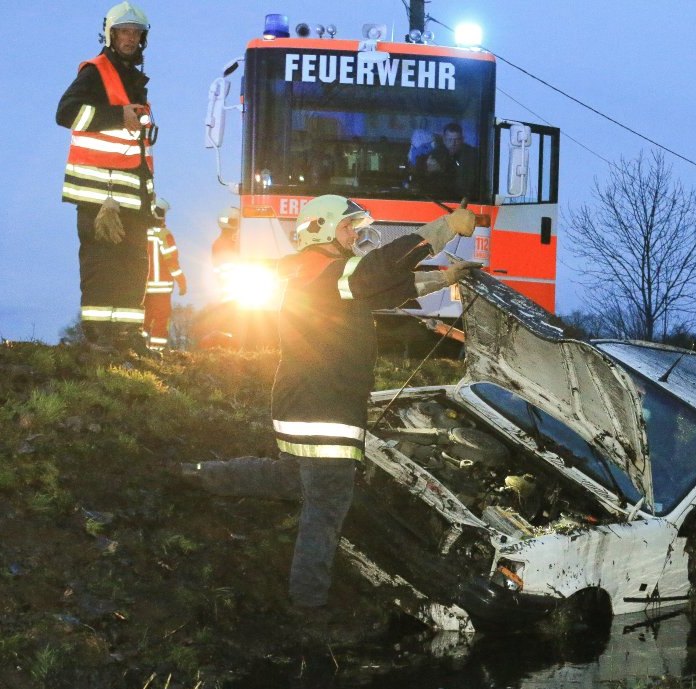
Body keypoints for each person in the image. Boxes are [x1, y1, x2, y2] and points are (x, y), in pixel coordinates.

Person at [179, 197, 479, 615]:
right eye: (348, 228)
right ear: (319, 228)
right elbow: (382, 267)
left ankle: (197, 478)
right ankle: (307, 613)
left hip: (302, 404)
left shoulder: (321, 274)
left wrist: (445, 277)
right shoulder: (321, 268)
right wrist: (444, 229)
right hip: (326, 411)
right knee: (325, 510)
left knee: (289, 479)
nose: (355, 236)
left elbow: (387, 288)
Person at [57, 2, 156, 350]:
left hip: (131, 197)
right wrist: (116, 115)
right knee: (101, 263)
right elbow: (65, 113)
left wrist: (148, 200)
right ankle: (98, 337)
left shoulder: (134, 79)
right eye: (124, 32)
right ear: (111, 35)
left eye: (135, 33)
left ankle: (126, 335)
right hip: (99, 196)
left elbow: (138, 150)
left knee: (132, 264)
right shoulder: (96, 71)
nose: (130, 38)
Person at [142, 197, 186, 352]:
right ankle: (156, 351)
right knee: (161, 319)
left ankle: (139, 350)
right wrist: (181, 281)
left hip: (142, 288)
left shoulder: (140, 233)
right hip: (161, 289)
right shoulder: (164, 235)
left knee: (144, 321)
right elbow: (172, 262)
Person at [421, 121, 478, 198]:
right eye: (450, 140)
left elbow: (468, 182)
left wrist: (440, 170)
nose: (453, 143)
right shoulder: (435, 155)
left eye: (457, 140)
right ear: (444, 140)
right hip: (441, 199)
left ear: (462, 140)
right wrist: (428, 171)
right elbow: (426, 183)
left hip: (467, 199)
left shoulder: (472, 155)